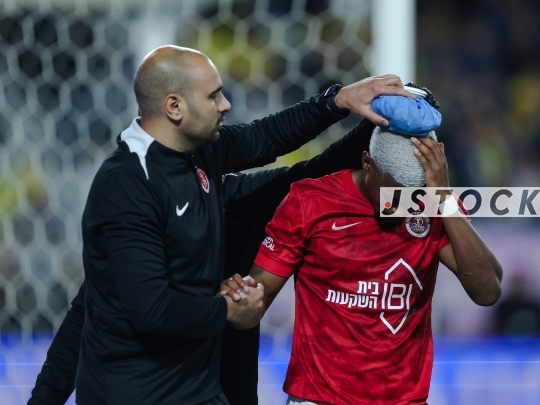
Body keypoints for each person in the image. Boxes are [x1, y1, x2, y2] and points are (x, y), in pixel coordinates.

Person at [28, 43, 412, 405]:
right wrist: (228, 310)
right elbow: (138, 308)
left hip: (203, 390)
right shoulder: (129, 185)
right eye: (213, 96)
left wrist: (340, 102)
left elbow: (270, 141)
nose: (226, 104)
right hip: (142, 394)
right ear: (174, 106)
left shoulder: (200, 158)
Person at [223, 101, 503, 404]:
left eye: (413, 196)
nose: (400, 207)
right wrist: (241, 303)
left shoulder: (435, 204)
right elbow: (254, 304)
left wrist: (443, 198)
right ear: (367, 163)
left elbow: (487, 291)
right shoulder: (311, 201)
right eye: (391, 194)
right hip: (318, 399)